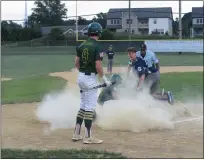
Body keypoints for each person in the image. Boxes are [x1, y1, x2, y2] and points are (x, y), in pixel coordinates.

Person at [73, 22, 111, 144]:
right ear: (99, 32)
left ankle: (76, 134)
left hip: (81, 77)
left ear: (89, 32)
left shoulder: (82, 45)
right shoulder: (97, 46)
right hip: (90, 78)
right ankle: (88, 137)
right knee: (90, 107)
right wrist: (104, 79)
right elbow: (98, 65)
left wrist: (83, 73)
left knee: (83, 106)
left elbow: (76, 63)